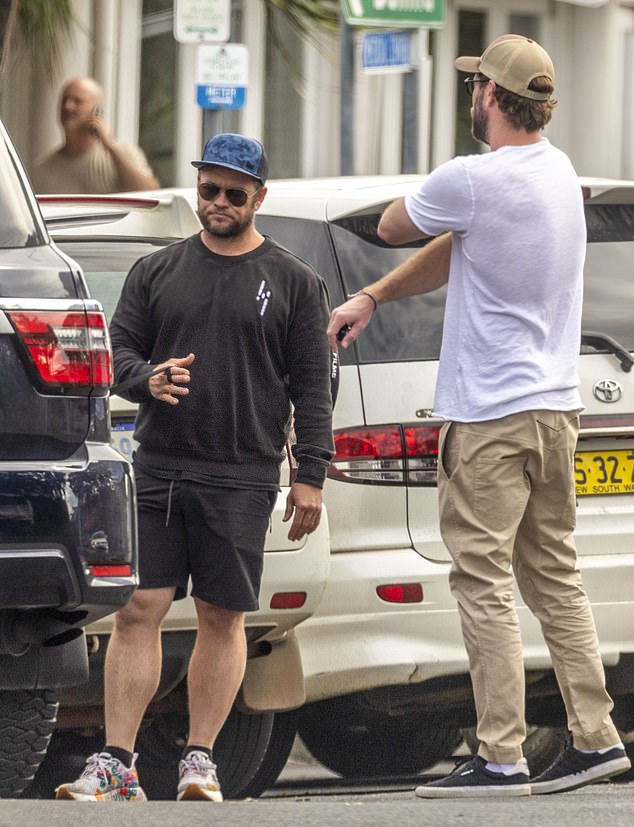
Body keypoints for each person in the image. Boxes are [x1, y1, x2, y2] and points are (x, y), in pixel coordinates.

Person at [327, 35, 631, 799]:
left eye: (475, 86)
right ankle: (596, 737)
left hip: (492, 417)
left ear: (491, 97)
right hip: (554, 412)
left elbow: (399, 225)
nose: (471, 97)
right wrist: (373, 297)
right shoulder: (558, 172)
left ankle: (500, 753)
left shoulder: (472, 178)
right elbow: (459, 249)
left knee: (482, 578)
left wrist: (394, 244)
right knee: (555, 577)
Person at [56, 133, 334, 802]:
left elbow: (311, 387)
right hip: (160, 468)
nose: (218, 202)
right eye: (208, 189)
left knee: (222, 614)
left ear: (257, 198)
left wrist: (311, 475)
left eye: (234, 193)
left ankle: (199, 759)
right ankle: (117, 763)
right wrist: (146, 380)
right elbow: (117, 353)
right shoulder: (157, 270)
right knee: (138, 609)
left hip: (242, 474)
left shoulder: (294, 282)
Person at [31, 76, 159, 194]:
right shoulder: (41, 172)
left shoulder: (124, 155)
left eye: (77, 101)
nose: (67, 106)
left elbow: (150, 194)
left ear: (97, 111)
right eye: (64, 100)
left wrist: (111, 146)